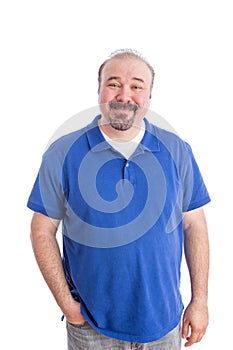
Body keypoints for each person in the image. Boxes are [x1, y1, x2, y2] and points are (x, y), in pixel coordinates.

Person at [27, 49, 211, 349]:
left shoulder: (177, 150)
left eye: (137, 86)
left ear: (149, 95)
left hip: (165, 324)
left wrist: (199, 300)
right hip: (91, 326)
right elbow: (42, 229)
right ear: (99, 89)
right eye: (114, 83)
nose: (125, 95)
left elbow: (195, 227)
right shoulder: (63, 152)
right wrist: (67, 304)